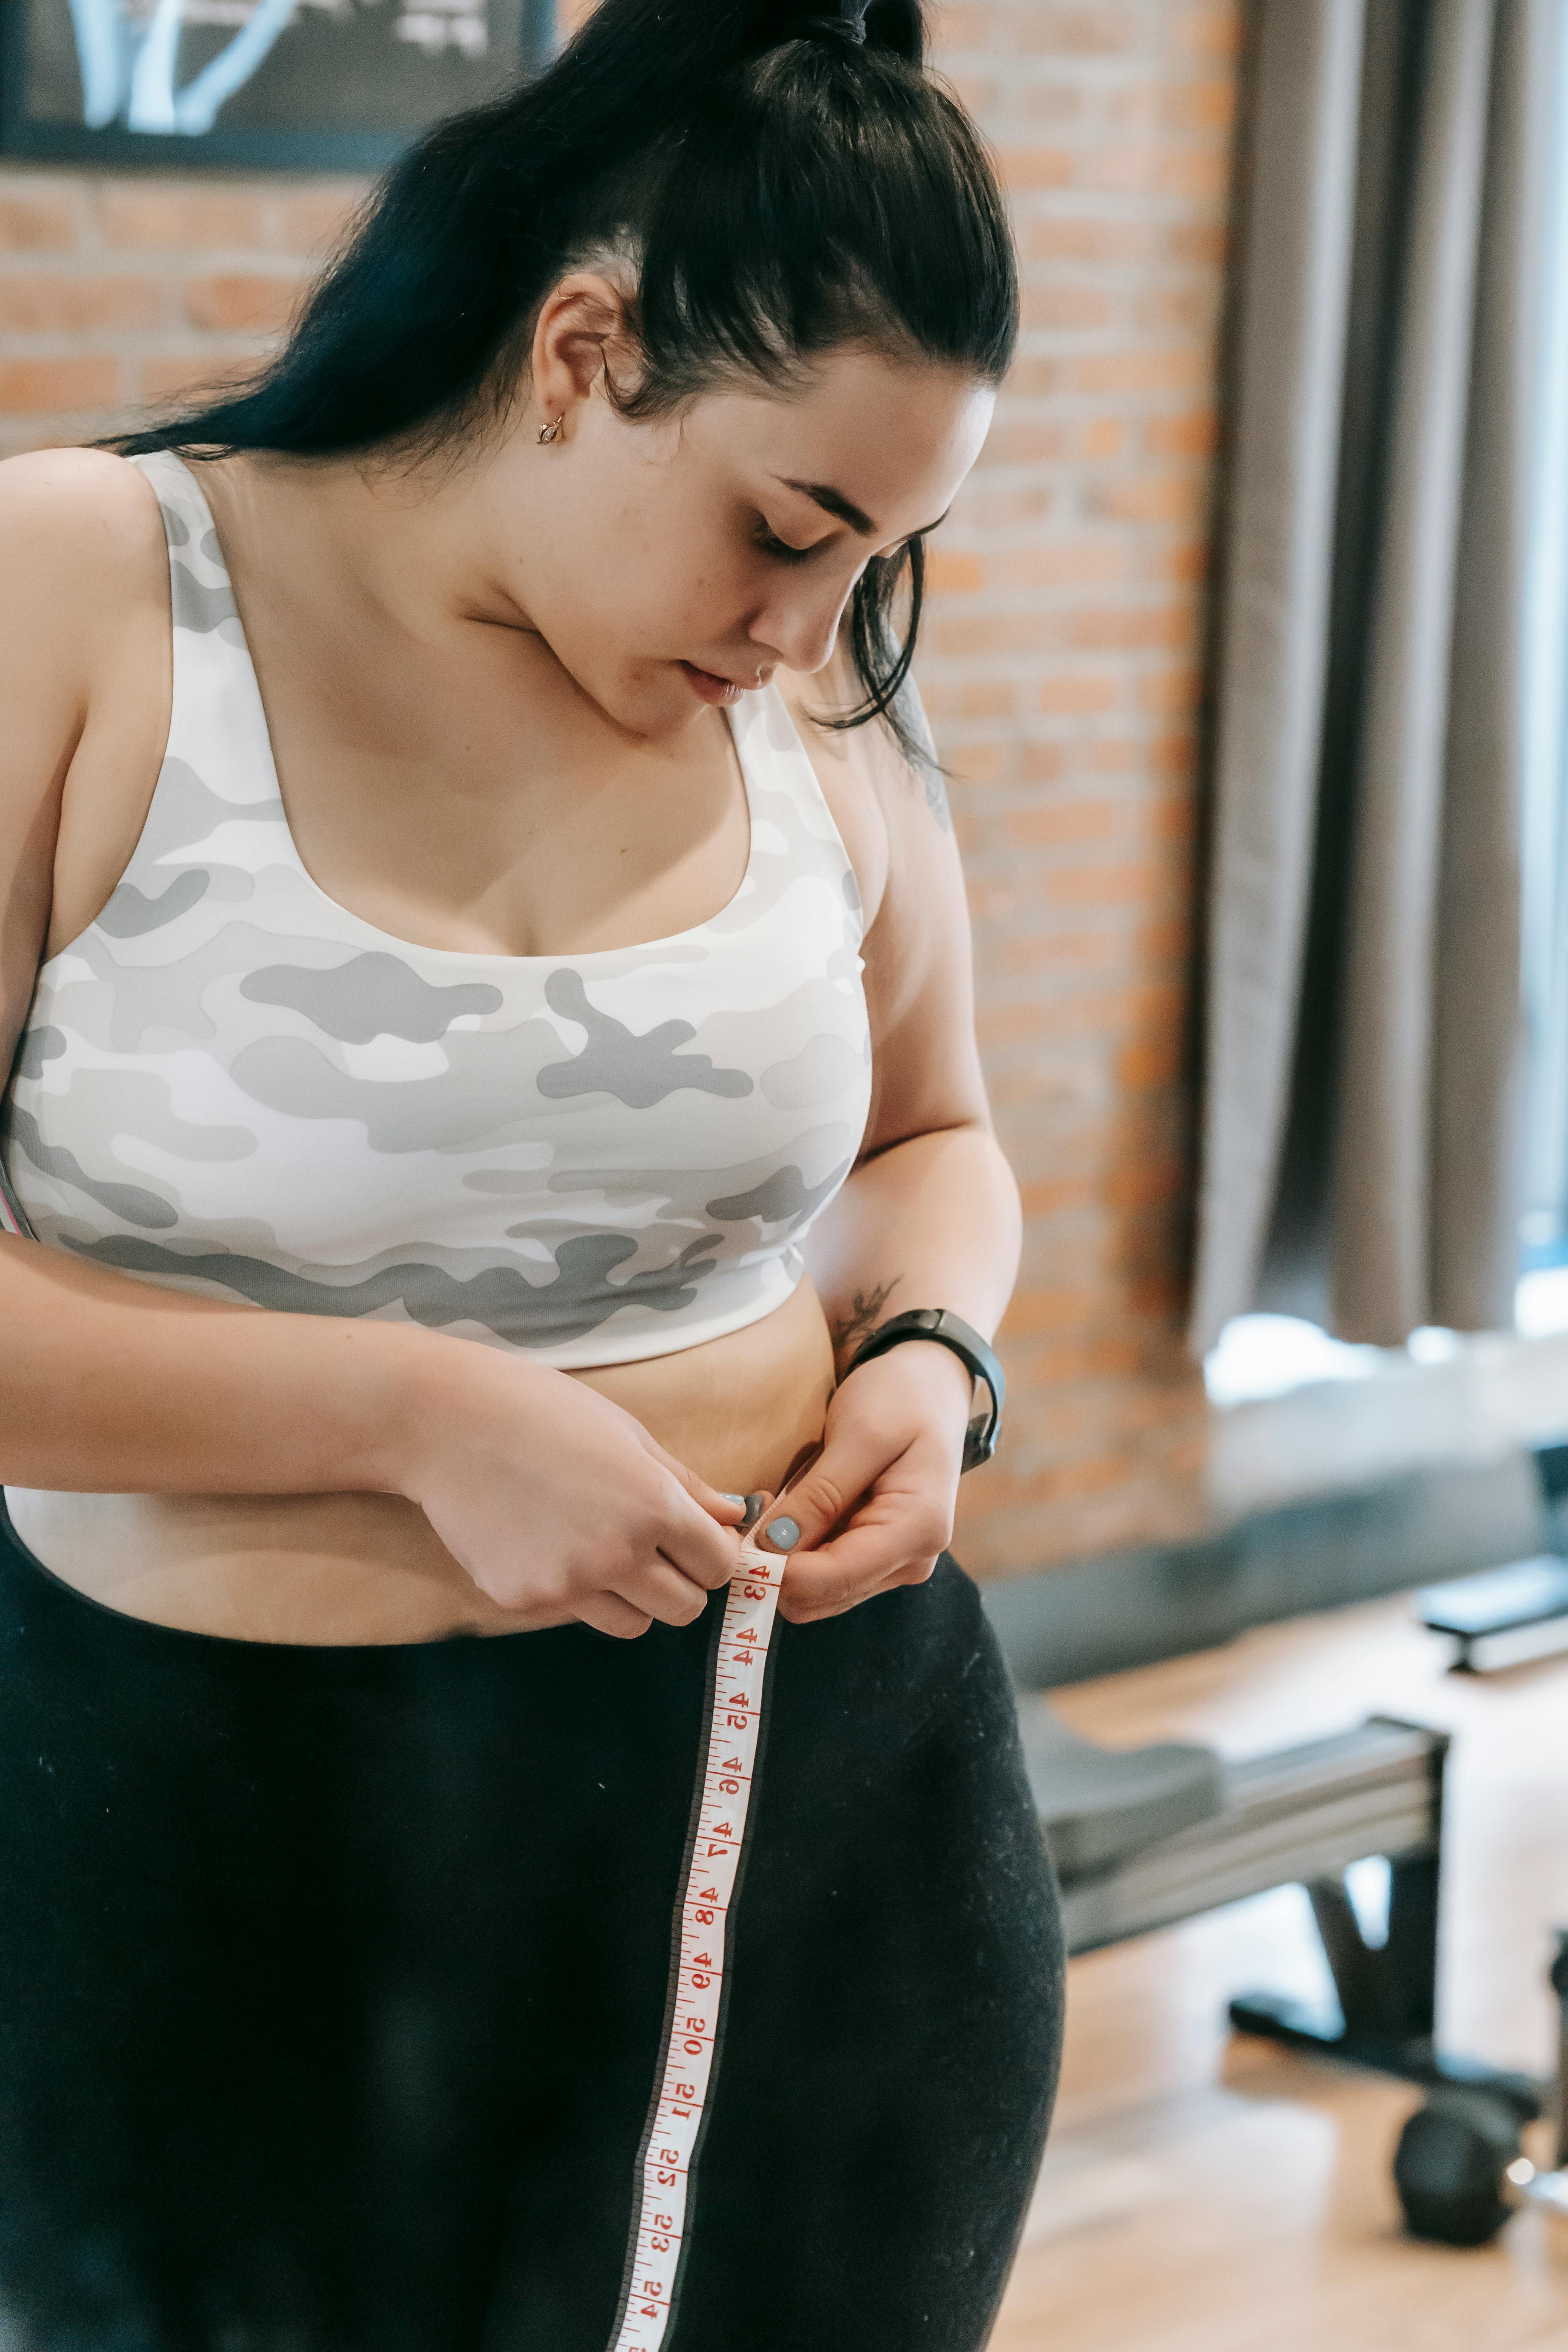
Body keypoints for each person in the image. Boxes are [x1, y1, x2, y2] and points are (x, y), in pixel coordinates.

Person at [0, 0, 1063, 2342]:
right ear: (583, 348)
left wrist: (930, 1350)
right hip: (206, 1846)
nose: (809, 628)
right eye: (785, 527)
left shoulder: (811, 695)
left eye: (882, 556)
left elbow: (934, 1135)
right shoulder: (80, 590)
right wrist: (412, 1418)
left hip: (817, 1807)